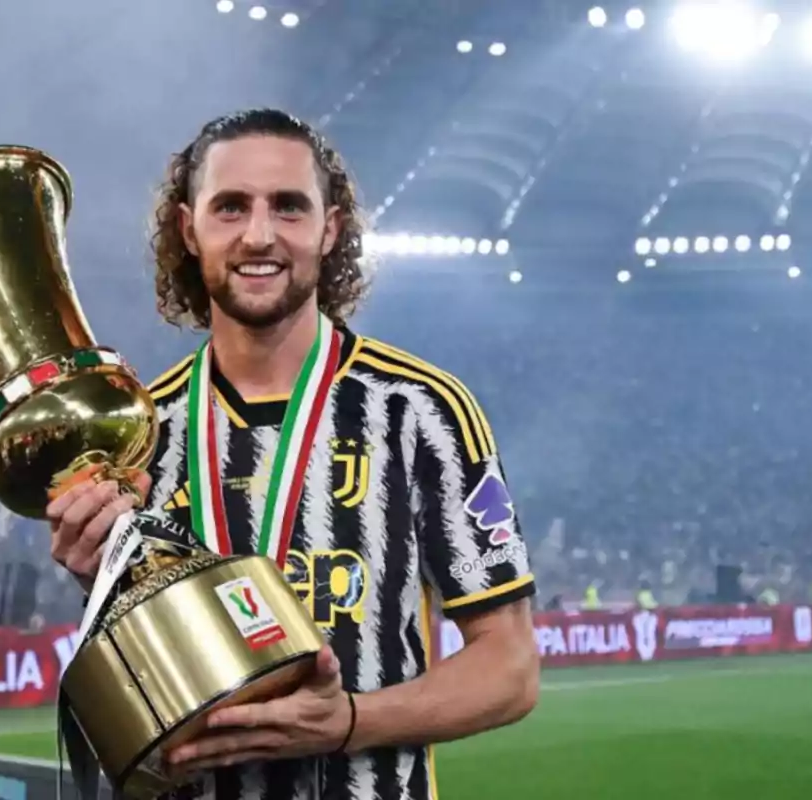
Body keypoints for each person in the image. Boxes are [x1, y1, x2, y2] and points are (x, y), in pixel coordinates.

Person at [48, 108, 539, 800]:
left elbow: (510, 669)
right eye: (230, 207)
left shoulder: (421, 411)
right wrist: (96, 582)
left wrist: (348, 722)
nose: (258, 234)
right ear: (188, 229)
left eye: (288, 207)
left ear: (329, 228)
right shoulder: (137, 436)